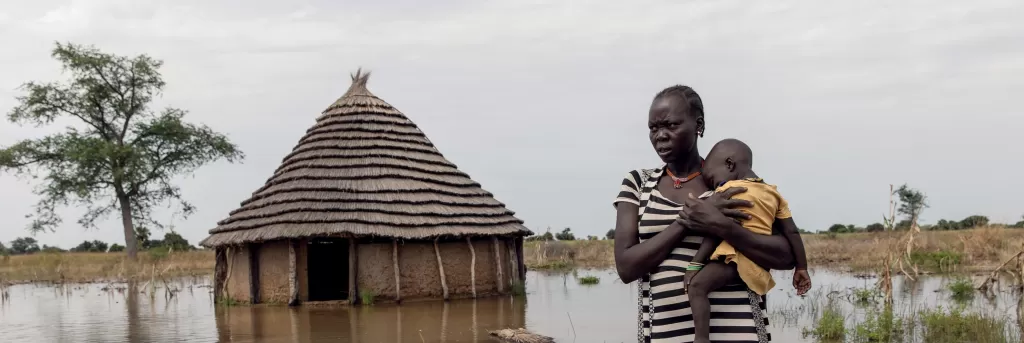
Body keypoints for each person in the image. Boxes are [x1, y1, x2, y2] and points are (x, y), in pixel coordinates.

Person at [613, 85, 797, 343]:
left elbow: (786, 256)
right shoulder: (638, 184)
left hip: (740, 330)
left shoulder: (728, 182)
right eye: (653, 128)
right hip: (666, 335)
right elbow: (626, 267)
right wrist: (686, 223)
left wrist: (723, 226)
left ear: (698, 125)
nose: (661, 136)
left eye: (671, 125)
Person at [681, 138, 812, 343]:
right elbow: (792, 233)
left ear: (730, 165)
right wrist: (802, 268)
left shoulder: (728, 191)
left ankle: (701, 339)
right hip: (759, 263)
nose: (714, 185)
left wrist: (695, 264)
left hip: (734, 258)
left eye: (713, 179)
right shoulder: (773, 193)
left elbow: (715, 231)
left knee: (697, 287)